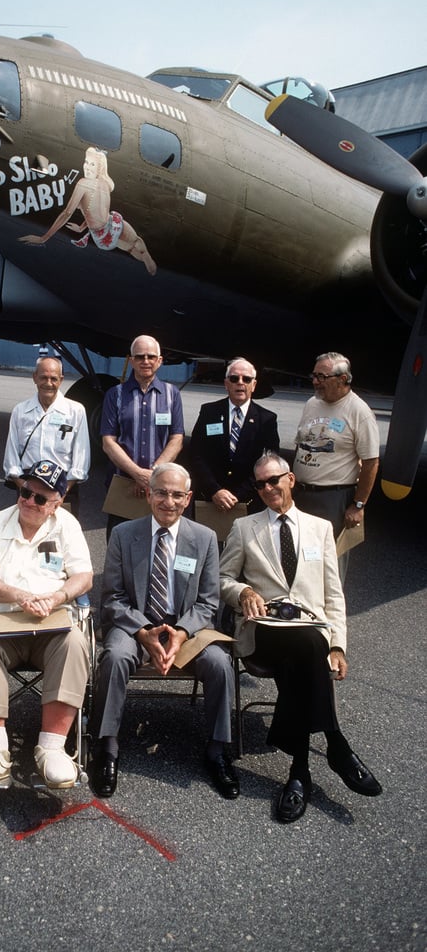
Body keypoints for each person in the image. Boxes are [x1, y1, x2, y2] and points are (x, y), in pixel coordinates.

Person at [219, 452, 381, 823]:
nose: (267, 488)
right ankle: (336, 743)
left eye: (274, 480)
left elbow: (332, 592)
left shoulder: (320, 527)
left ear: (291, 479)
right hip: (265, 630)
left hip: (308, 632)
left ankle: (300, 770)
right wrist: (242, 592)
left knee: (307, 648)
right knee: (308, 647)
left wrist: (338, 644)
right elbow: (221, 579)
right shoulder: (245, 528)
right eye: (259, 484)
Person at [89, 463, 237, 800]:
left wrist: (182, 632)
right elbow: (112, 597)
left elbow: (208, 602)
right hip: (136, 624)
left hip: (188, 628)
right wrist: (143, 632)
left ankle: (218, 751)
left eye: (176, 495)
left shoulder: (205, 539)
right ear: (149, 494)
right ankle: (107, 748)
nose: (167, 501)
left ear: (187, 499)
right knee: (114, 656)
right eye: (161, 492)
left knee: (219, 663)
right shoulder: (124, 535)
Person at [0, 460, 93, 791]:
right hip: (2, 619)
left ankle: (53, 749)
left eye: (40, 499)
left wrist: (59, 596)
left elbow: (84, 576)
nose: (29, 502)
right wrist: (18, 595)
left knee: (76, 640)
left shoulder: (67, 526)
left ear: (57, 502)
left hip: (52, 621)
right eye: (26, 493)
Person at [292, 352, 379, 582]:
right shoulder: (312, 403)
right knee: (298, 557)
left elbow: (371, 462)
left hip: (332, 498)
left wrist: (359, 504)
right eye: (314, 375)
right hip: (300, 494)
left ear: (343, 379)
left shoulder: (359, 411)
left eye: (322, 376)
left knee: (329, 564)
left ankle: (331, 616)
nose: (315, 381)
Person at [20, 146, 157, 275]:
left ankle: (147, 260)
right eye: (86, 162)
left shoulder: (83, 184)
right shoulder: (106, 184)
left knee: (130, 248)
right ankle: (147, 259)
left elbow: (68, 213)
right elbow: (92, 210)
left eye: (92, 164)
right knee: (134, 244)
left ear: (99, 168)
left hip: (102, 234)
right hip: (113, 223)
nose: (87, 167)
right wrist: (80, 228)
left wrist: (44, 238)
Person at [100, 334, 184, 538]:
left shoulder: (172, 394)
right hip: (123, 483)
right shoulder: (115, 394)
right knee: (119, 543)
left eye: (151, 356)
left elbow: (177, 439)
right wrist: (137, 473)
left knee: (158, 542)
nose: (145, 361)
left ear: (160, 361)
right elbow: (108, 441)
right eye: (139, 357)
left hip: (161, 487)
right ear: (130, 360)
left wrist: (152, 475)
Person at [3, 356, 90, 518]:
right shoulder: (20, 411)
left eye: (53, 378)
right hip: (27, 488)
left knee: (60, 540)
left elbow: (81, 459)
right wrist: (26, 489)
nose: (48, 383)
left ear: (61, 380)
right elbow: (11, 458)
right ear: (35, 377)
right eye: (43, 377)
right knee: (26, 539)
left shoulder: (76, 411)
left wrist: (60, 494)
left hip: (63, 488)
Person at [190, 357, 279, 513]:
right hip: (210, 499)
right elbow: (196, 454)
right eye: (234, 378)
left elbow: (269, 463)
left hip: (248, 501)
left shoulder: (267, 420)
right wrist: (214, 491)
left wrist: (238, 495)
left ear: (254, 385)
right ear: (226, 384)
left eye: (246, 379)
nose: (240, 382)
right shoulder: (209, 412)